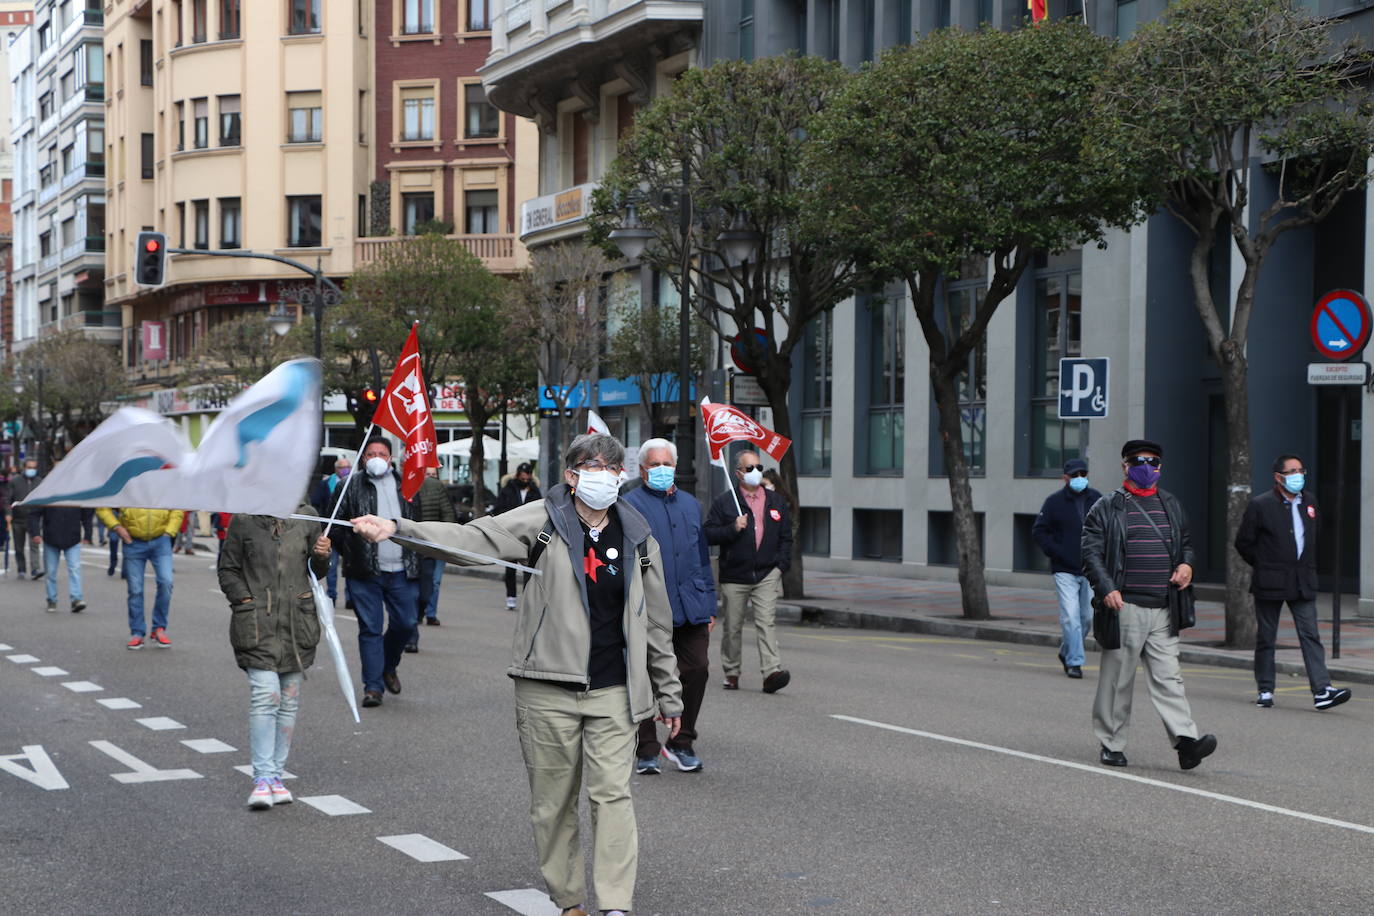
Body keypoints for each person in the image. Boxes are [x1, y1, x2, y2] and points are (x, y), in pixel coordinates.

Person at [351, 433, 683, 916]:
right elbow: (474, 539)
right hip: (547, 686)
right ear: (571, 476)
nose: (604, 477)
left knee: (613, 795)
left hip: (615, 690)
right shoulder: (542, 521)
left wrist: (668, 694)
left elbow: (657, 620)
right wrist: (398, 528)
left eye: (613, 469)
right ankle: (570, 901)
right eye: (593, 468)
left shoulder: (637, 534)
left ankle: (615, 905)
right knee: (553, 804)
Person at [1081, 439, 1217, 771]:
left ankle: (1186, 743)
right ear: (1125, 466)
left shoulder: (1170, 503)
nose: (1147, 467)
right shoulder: (1107, 506)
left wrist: (1187, 565)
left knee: (1169, 678)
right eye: (1139, 461)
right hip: (1124, 606)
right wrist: (1107, 588)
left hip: (1164, 607)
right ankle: (1112, 743)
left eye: (1153, 462)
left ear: (1161, 467)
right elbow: (1090, 553)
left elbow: (1185, 544)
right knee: (1118, 679)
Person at [217, 505, 332, 809]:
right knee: (265, 696)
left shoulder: (307, 517)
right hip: (256, 625)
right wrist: (244, 599)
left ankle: (276, 776)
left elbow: (316, 572)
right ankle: (263, 777)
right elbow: (227, 569)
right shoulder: (244, 519)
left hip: (297, 625)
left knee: (289, 699)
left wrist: (321, 555)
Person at [622, 438, 716, 775]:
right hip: (648, 608)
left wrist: (709, 605)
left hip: (691, 606)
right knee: (645, 676)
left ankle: (681, 741)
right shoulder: (628, 504)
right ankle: (646, 749)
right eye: (655, 464)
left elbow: (702, 558)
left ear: (675, 467)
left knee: (698, 668)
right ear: (643, 469)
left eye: (667, 464)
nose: (662, 470)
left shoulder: (691, 505)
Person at [1235, 454, 1352, 711]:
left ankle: (1322, 690)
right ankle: (1265, 689)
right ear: (1278, 477)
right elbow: (1243, 542)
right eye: (1292, 471)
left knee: (1310, 634)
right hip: (1271, 580)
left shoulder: (1309, 501)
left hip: (1302, 580)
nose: (1298, 475)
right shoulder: (1261, 504)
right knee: (1267, 637)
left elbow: (1315, 533)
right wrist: (1265, 562)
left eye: (1301, 470)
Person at [335, 437, 420, 708]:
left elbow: (420, 524)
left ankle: (388, 665)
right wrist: (353, 548)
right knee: (370, 628)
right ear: (362, 458)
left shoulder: (408, 486)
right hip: (365, 571)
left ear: (390, 457)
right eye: (370, 453)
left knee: (406, 623)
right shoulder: (347, 486)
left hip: (402, 569)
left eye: (381, 453)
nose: (376, 457)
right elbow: (334, 526)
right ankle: (373, 687)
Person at [705, 450, 793, 693]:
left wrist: (780, 566)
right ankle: (731, 672)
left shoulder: (776, 501)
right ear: (738, 473)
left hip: (767, 573)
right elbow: (709, 533)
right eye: (749, 468)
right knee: (732, 626)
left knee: (766, 622)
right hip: (735, 574)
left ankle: (771, 672)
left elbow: (786, 537)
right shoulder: (725, 501)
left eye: (758, 467)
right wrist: (733, 527)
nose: (756, 472)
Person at [1032, 458, 1103, 679]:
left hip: (1091, 570)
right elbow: (1039, 531)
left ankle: (1066, 651)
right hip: (1064, 570)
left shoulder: (1098, 499)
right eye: (1074, 475)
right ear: (1065, 478)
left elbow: (1108, 528)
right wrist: (1057, 552)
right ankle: (1075, 662)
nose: (1079, 478)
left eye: (1083, 473)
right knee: (1070, 617)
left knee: (1087, 618)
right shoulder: (1054, 502)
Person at [96, 506, 183, 649]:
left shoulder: (163, 484)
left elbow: (177, 508)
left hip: (161, 539)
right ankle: (137, 632)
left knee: (166, 582)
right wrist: (117, 527)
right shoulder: (125, 484)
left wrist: (169, 531)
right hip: (133, 541)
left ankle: (159, 628)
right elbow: (102, 506)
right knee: (135, 589)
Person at [405, 465, 457, 651]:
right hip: (408, 546)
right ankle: (411, 635)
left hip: (431, 546)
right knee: (409, 590)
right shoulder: (401, 484)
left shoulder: (435, 487)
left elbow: (448, 512)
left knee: (429, 587)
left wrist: (445, 537)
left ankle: (425, 612)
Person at [28, 485, 90, 613]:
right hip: (51, 538)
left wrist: (88, 534)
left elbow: (86, 514)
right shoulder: (47, 492)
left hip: (72, 537)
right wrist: (35, 533)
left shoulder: (78, 492)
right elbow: (34, 514)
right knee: (50, 572)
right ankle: (52, 599)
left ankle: (76, 599)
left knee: (75, 569)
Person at [492, 462, 542, 610]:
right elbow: (499, 508)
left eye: (527, 478)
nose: (525, 481)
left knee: (530, 567)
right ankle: (511, 597)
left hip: (530, 534)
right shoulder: (508, 489)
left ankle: (528, 596)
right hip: (511, 533)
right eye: (523, 478)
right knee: (510, 567)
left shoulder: (535, 491)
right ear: (518, 475)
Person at [311, 457, 352, 605]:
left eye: (348, 466)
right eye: (342, 467)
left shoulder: (354, 483)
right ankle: (332, 595)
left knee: (350, 566)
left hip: (348, 534)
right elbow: (316, 504)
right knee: (331, 566)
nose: (345, 470)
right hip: (330, 532)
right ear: (336, 470)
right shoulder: (325, 484)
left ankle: (350, 598)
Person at [9, 458, 46, 579]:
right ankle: (21, 569)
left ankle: (35, 569)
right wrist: (8, 513)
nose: (32, 470)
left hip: (33, 520)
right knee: (19, 547)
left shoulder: (40, 481)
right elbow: (8, 499)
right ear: (24, 468)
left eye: (34, 468)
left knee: (34, 545)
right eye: (29, 467)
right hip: (18, 519)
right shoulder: (15, 481)